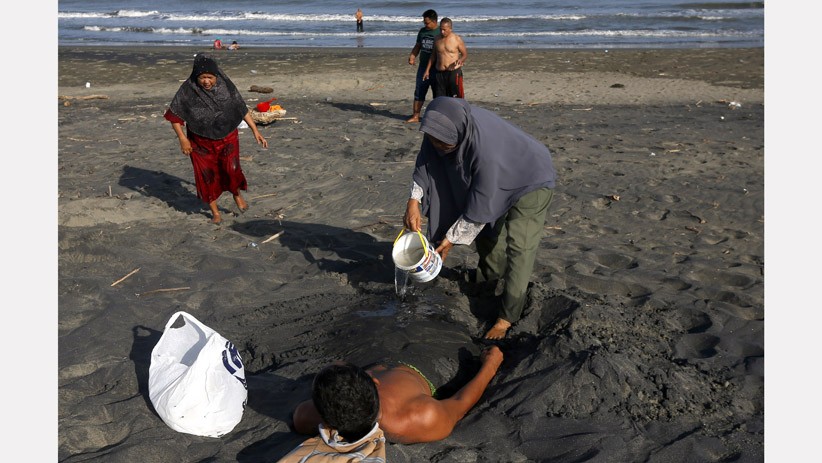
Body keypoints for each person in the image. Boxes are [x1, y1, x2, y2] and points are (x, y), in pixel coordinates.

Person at [403, 97, 557, 340]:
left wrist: (451, 238)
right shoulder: (439, 125)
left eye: (444, 143)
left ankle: (508, 316)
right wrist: (414, 200)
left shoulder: (485, 150)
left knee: (520, 248)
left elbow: (481, 205)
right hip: (498, 174)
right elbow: (425, 161)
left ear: (460, 134)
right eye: (433, 140)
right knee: (489, 235)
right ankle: (487, 283)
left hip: (530, 177)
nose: (438, 145)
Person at [289, 345, 503, 446]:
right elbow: (460, 403)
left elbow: (304, 415)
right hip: (423, 369)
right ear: (374, 382)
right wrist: (490, 366)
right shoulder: (420, 417)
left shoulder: (306, 416)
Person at [164, 54, 268, 224]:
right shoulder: (186, 90)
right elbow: (174, 117)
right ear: (196, 76)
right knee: (206, 176)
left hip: (227, 137)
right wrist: (182, 139)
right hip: (199, 142)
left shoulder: (225, 86)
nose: (206, 81)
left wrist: (255, 130)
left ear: (216, 76)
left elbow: (241, 108)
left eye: (209, 77)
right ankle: (215, 212)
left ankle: (237, 195)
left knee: (231, 169)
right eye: (202, 77)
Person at [405, 9, 440, 123]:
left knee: (438, 93)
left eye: (427, 23)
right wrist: (412, 56)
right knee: (419, 91)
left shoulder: (441, 32)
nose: (425, 25)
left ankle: (437, 117)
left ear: (435, 21)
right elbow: (418, 45)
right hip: (423, 67)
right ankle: (416, 116)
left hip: (437, 68)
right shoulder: (422, 32)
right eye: (424, 22)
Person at [424, 17, 467, 99]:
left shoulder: (457, 39)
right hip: (439, 73)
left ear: (450, 29)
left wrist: (460, 60)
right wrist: (427, 71)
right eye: (440, 29)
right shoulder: (437, 39)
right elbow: (433, 56)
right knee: (439, 98)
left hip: (453, 72)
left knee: (455, 98)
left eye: (444, 29)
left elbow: (464, 54)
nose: (442, 32)